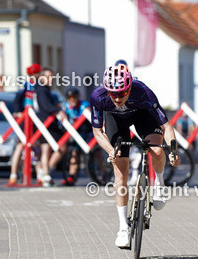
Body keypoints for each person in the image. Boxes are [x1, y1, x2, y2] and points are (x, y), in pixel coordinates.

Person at [90, 64, 180, 249]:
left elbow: (167, 127)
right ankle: (123, 227)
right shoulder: (98, 97)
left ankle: (159, 183)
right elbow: (98, 132)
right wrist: (111, 151)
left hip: (142, 115)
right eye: (113, 93)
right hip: (115, 121)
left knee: (156, 149)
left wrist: (173, 151)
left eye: (122, 93)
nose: (117, 98)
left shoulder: (143, 92)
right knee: (120, 173)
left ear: (130, 87)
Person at [51, 87, 91, 186]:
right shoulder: (66, 106)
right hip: (72, 132)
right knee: (73, 153)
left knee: (96, 153)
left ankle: (103, 173)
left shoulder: (84, 105)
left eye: (74, 97)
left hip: (85, 131)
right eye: (69, 98)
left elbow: (89, 113)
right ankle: (71, 176)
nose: (72, 100)